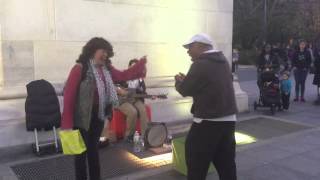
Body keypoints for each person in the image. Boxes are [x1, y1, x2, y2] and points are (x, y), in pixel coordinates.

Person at [61, 37, 147, 180]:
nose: (105, 55)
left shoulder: (106, 69)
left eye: (107, 53)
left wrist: (139, 65)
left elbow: (123, 75)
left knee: (94, 151)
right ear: (92, 51)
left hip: (97, 116)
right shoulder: (79, 69)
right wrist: (67, 125)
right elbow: (69, 97)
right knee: (80, 154)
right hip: (81, 118)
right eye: (103, 51)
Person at [175, 33, 238, 180]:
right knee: (226, 164)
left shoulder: (200, 63)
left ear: (200, 46)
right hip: (228, 121)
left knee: (196, 164)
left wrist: (179, 82)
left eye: (190, 47)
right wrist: (189, 80)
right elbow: (210, 85)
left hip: (207, 122)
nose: (188, 51)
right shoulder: (223, 61)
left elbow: (185, 90)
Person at [116, 59, 150, 142]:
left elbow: (143, 92)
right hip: (122, 101)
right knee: (133, 112)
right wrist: (120, 90)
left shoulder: (140, 79)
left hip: (135, 99)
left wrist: (148, 96)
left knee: (143, 110)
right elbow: (114, 86)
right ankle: (129, 136)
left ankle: (146, 135)